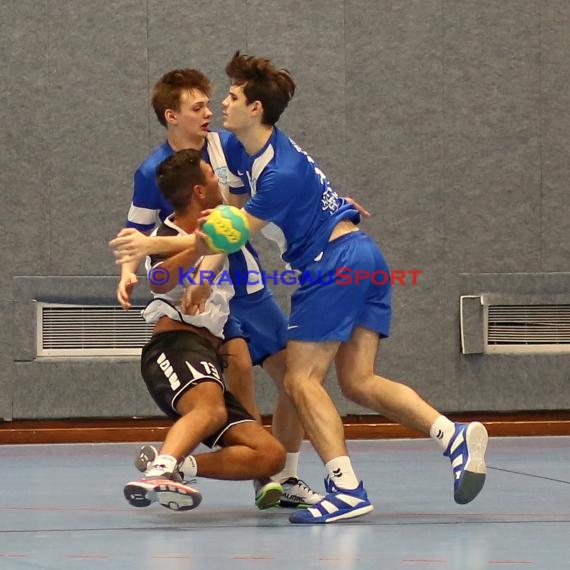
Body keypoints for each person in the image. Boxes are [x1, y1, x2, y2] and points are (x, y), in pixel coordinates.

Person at [111, 52, 488, 524]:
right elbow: (234, 220)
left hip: (331, 264)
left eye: (228, 97)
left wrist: (154, 244)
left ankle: (345, 487)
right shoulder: (256, 155)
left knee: (299, 379)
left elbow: (228, 233)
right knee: (358, 381)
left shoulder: (275, 172)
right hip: (362, 255)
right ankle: (451, 436)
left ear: (254, 110)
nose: (219, 107)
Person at [117, 68, 321, 509]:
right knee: (237, 370)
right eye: (198, 108)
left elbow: (267, 194)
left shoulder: (228, 144)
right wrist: (128, 271)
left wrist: (328, 205)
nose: (210, 112)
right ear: (172, 117)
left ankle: (281, 474)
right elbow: (138, 233)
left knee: (294, 380)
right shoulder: (154, 172)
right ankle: (251, 474)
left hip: (240, 280)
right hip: (200, 295)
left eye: (212, 104)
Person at [124, 148, 286, 512]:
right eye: (212, 175)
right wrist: (196, 250)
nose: (219, 178)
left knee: (269, 453)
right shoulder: (168, 232)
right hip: (175, 347)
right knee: (210, 411)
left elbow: (265, 212)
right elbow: (161, 281)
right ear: (199, 191)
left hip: (209, 354)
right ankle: (158, 473)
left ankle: (178, 468)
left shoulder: (223, 225)